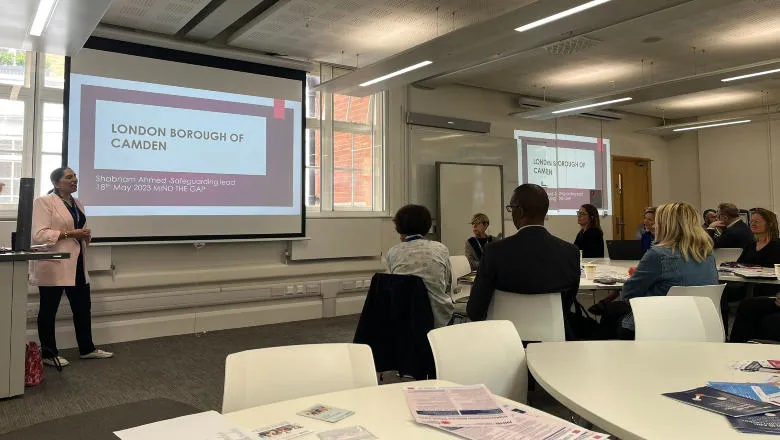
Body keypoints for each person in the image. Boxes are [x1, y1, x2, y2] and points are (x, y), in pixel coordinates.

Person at [30, 167, 114, 367]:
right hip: (54, 263)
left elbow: (79, 231)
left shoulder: (77, 203)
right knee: (49, 310)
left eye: (75, 176)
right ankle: (49, 354)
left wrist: (84, 236)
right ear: (57, 183)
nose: (75, 179)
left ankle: (87, 349)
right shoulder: (44, 202)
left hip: (76, 263)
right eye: (69, 177)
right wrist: (71, 234)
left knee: (83, 308)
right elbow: (39, 235)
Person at [600, 202, 718, 339]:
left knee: (612, 314)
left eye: (657, 222)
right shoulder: (707, 254)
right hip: (701, 325)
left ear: (666, 225)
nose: (654, 226)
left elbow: (629, 293)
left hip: (659, 325)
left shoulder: (658, 255)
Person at [467, 184, 580, 324]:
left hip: (504, 337)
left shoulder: (494, 252)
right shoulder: (571, 253)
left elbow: (475, 311)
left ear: (519, 211)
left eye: (511, 208)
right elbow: (565, 307)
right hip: (552, 337)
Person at [386, 204, 453, 328]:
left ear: (399, 227)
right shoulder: (440, 248)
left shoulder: (393, 252)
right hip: (437, 316)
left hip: (402, 315)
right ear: (427, 226)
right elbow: (447, 282)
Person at [720, 208, 780, 329]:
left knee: (746, 305)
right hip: (747, 287)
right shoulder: (750, 246)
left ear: (769, 224)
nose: (753, 224)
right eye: (751, 221)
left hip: (772, 291)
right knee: (722, 295)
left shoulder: (777, 246)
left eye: (757, 221)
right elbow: (740, 265)